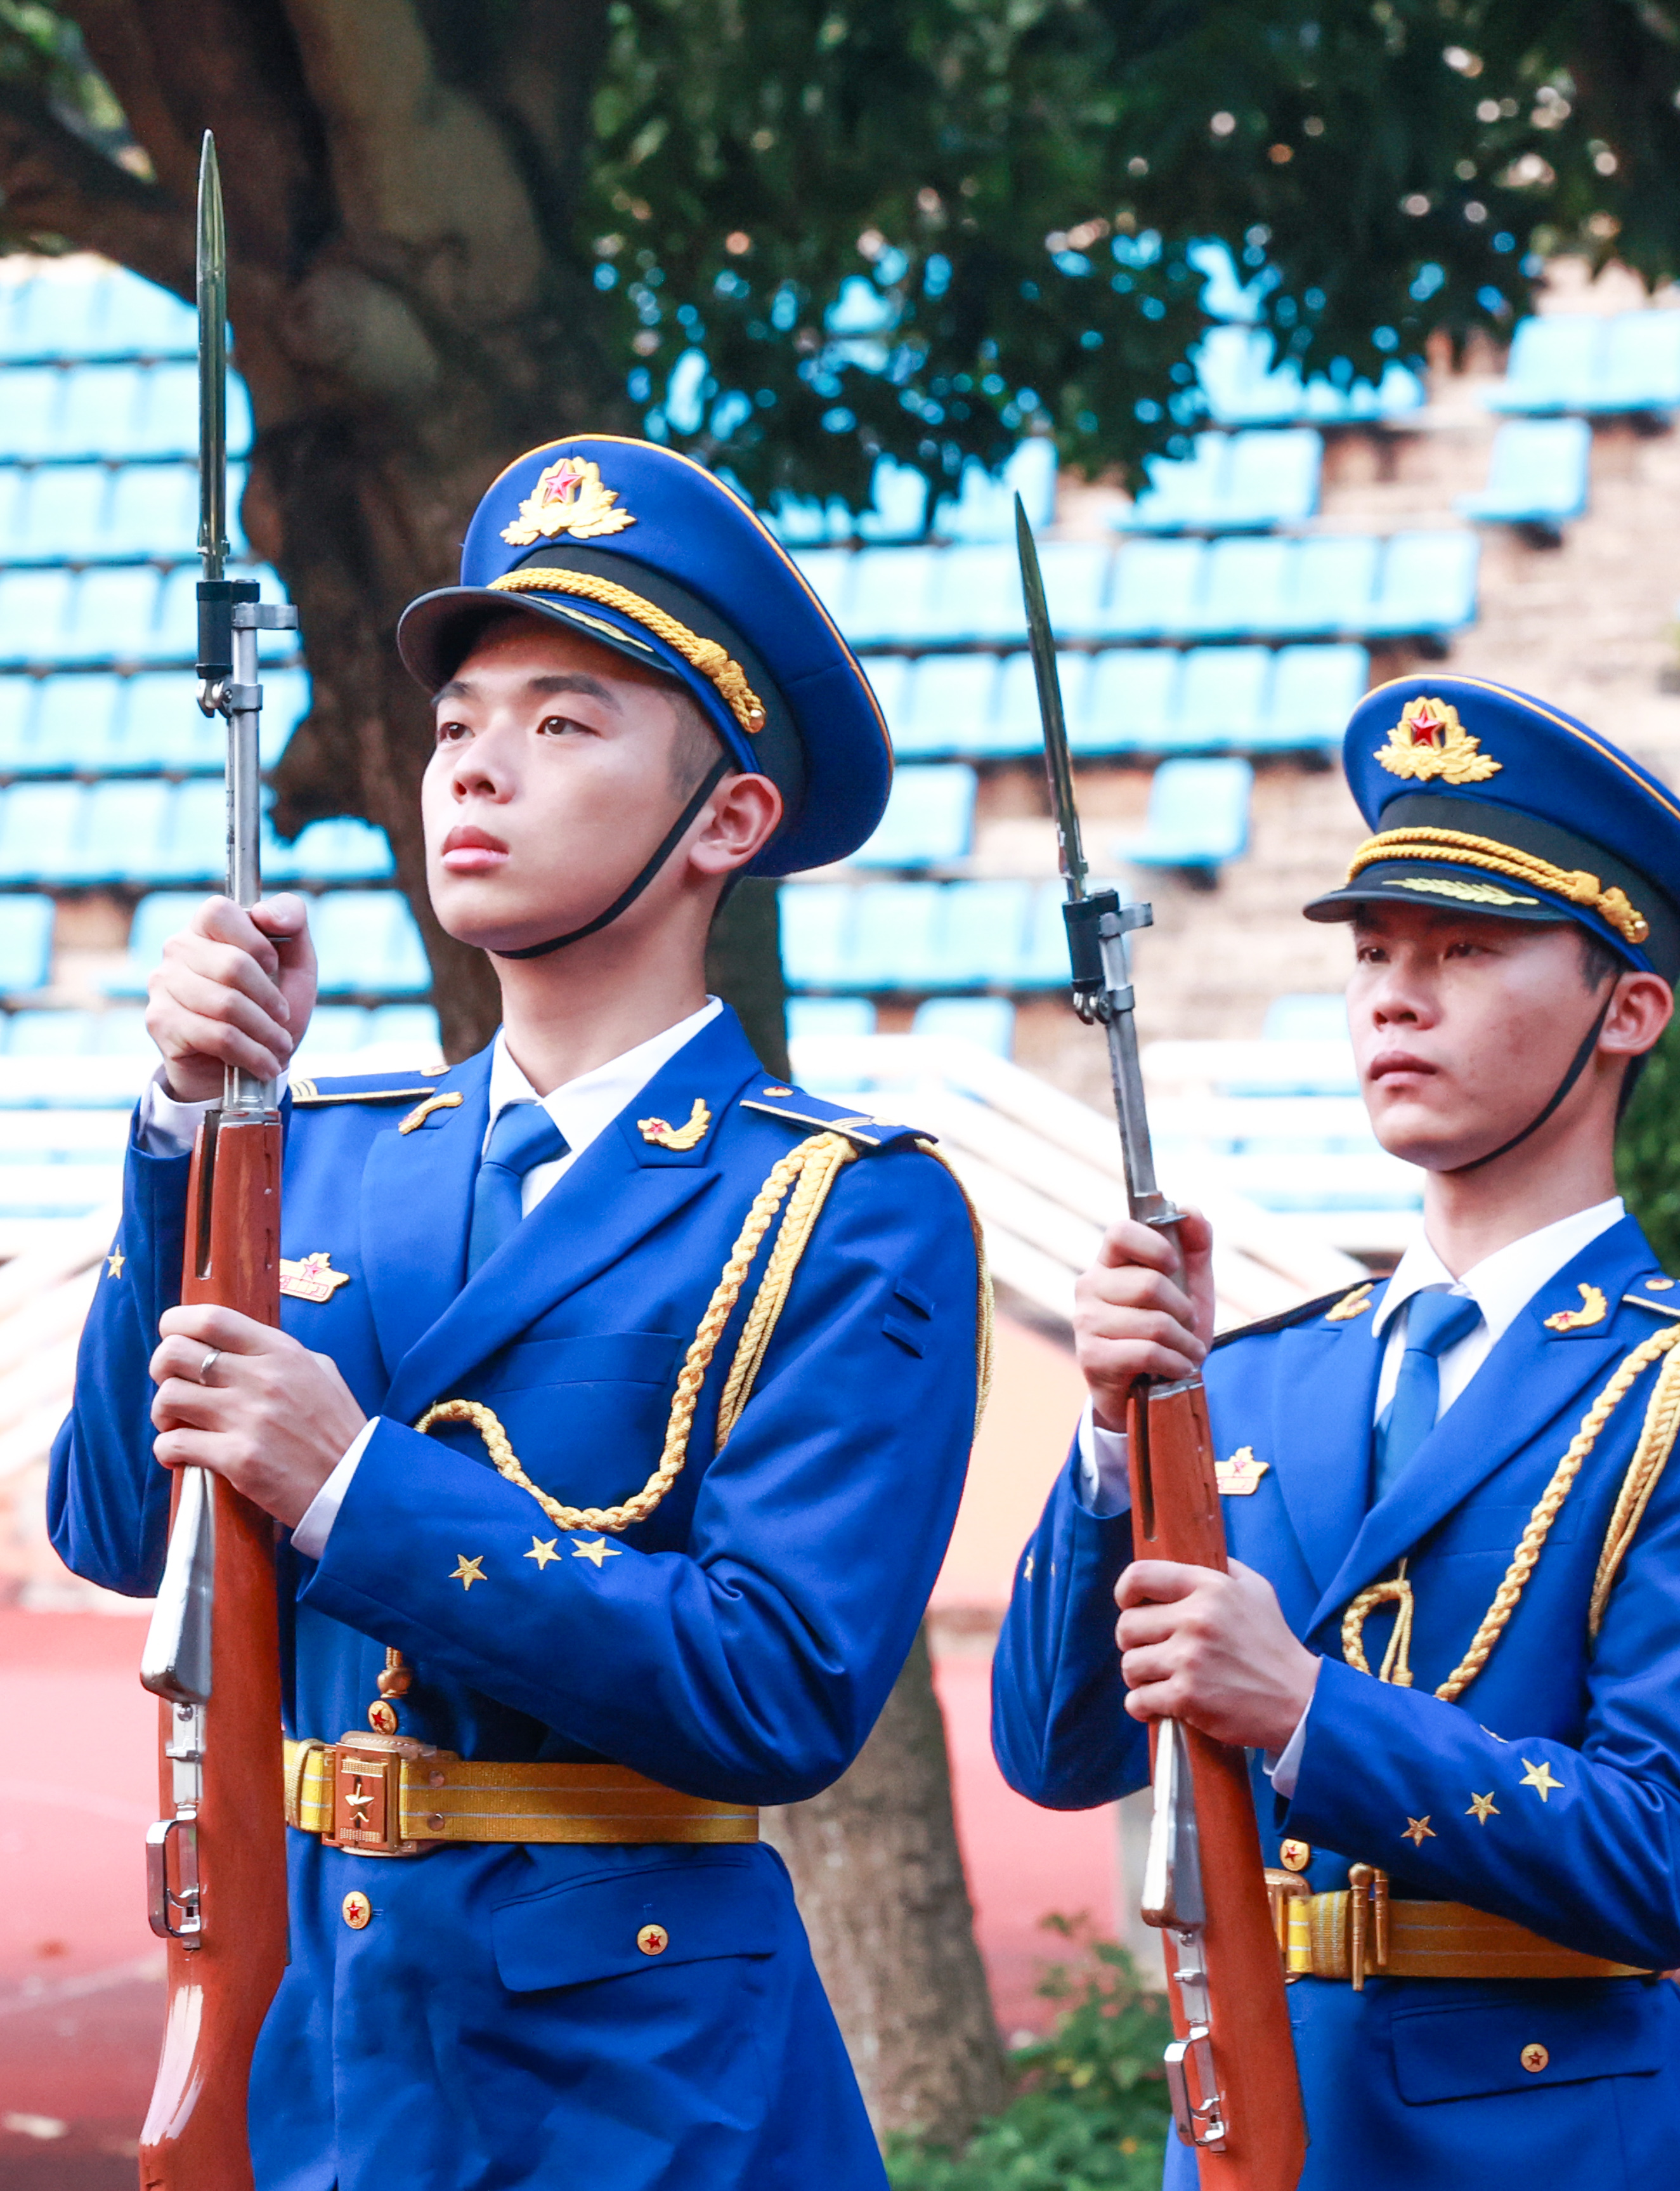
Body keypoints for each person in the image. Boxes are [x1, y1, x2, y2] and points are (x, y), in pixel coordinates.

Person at [48, 438, 986, 2185]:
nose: (476, 764)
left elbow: (777, 1685)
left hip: (642, 2086)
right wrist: (184, 1117)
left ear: (728, 818)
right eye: (462, 719)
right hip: (317, 2042)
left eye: (564, 724)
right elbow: (115, 1524)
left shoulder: (842, 1209)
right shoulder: (303, 1154)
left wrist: (352, 1484)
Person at [991, 674, 1680, 2186]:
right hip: (1258, 2124)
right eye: (1375, 951)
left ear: (1628, 1005)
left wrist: (1307, 1709)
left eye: (1468, 949)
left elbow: (1669, 1857)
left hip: (1553, 2136)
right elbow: (1057, 1748)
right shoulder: (1253, 1377)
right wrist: (1114, 1448)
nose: (1395, 994)